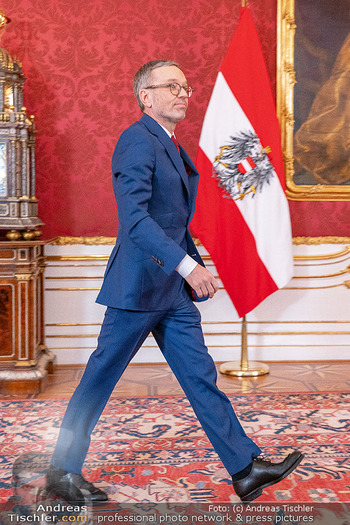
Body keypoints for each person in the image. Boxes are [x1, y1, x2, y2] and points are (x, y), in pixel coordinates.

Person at [46, 60, 303, 504]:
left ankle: (245, 469)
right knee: (99, 379)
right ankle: (61, 473)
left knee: (200, 376)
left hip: (171, 292)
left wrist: (193, 267)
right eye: (172, 86)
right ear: (145, 96)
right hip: (138, 287)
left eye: (186, 86)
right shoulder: (136, 140)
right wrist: (189, 267)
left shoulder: (169, 145)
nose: (184, 93)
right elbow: (136, 222)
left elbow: (175, 224)